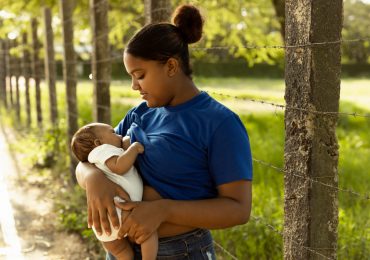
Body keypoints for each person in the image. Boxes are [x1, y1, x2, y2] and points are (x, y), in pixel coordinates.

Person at [76, 4, 253, 259]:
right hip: (122, 250)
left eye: (140, 75)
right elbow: (89, 158)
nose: (134, 86)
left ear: (171, 66)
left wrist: (163, 211)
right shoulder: (139, 114)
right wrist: (93, 179)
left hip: (182, 250)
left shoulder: (219, 123)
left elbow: (238, 209)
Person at [71, 122, 158, 260]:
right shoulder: (103, 150)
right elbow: (119, 167)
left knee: (122, 252)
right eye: (113, 132)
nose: (118, 135)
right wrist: (134, 148)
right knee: (148, 233)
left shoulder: (97, 157)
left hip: (104, 220)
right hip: (119, 210)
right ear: (98, 142)